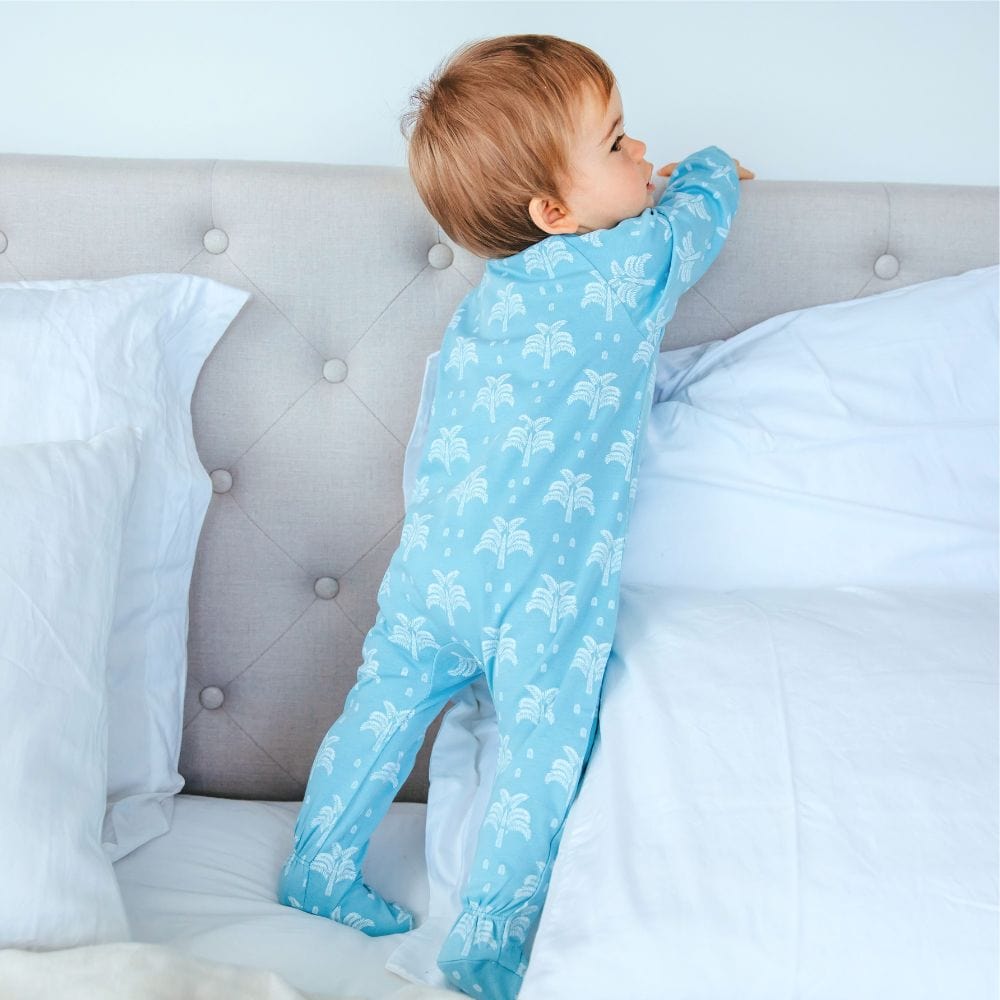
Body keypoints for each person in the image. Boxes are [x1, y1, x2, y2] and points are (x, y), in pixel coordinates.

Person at [277, 33, 754, 1000]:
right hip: (543, 587)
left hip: (433, 569)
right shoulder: (630, 268)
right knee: (543, 754)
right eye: (616, 143)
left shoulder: (491, 300)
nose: (641, 151)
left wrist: (635, 171)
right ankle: (488, 942)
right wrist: (708, 167)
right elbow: (697, 218)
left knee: (379, 711)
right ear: (555, 212)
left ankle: (316, 867)